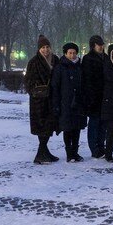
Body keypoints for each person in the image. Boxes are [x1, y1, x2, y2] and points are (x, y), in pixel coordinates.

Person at [24, 35, 59, 164]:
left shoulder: (55, 59)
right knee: (42, 126)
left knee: (49, 126)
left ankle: (44, 152)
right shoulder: (34, 62)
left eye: (47, 47)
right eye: (43, 47)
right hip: (39, 101)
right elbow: (28, 81)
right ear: (39, 49)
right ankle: (40, 155)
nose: (46, 50)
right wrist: (35, 91)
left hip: (51, 98)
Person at [51, 42, 87, 162]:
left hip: (78, 102)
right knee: (67, 129)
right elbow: (55, 87)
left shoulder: (79, 67)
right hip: (65, 103)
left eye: (74, 53)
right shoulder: (60, 68)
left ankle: (75, 152)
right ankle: (69, 153)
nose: (72, 55)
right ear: (65, 54)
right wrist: (56, 105)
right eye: (70, 53)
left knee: (76, 129)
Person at [81, 35, 107, 158]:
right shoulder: (88, 59)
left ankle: (101, 146)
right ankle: (94, 148)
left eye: (102, 44)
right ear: (93, 45)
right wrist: (89, 97)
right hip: (93, 97)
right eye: (99, 44)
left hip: (104, 96)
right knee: (94, 124)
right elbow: (87, 80)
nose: (101, 46)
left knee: (103, 124)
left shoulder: (106, 58)